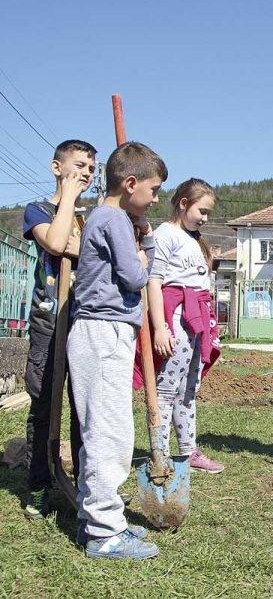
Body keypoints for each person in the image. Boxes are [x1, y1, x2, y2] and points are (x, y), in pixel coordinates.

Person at [67, 141, 167, 560]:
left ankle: (93, 517)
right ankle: (105, 532)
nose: (156, 198)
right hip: (103, 331)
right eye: (154, 189)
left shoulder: (108, 216)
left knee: (104, 429)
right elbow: (132, 276)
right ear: (130, 184)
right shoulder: (113, 219)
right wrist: (147, 250)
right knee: (109, 434)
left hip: (104, 331)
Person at [21, 139, 96, 519]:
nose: (86, 173)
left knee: (83, 404)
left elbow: (88, 251)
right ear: (57, 167)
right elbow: (54, 241)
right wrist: (66, 199)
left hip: (83, 320)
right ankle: (38, 483)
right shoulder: (37, 209)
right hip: (49, 321)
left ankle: (85, 482)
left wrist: (75, 241)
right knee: (44, 403)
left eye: (91, 169)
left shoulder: (91, 218)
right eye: (79, 165)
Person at [144, 178, 223, 473]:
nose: (205, 218)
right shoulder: (166, 234)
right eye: (201, 211)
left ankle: (188, 450)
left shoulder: (193, 239)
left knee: (190, 387)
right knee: (167, 388)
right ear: (183, 204)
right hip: (176, 318)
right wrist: (161, 326)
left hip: (196, 318)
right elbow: (154, 280)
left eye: (207, 213)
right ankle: (160, 452)